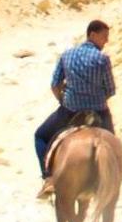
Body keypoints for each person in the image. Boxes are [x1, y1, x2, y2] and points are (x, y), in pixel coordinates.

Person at [33, 17, 114, 185]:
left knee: (40, 136)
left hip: (70, 110)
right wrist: (96, 98)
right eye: (104, 36)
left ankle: (48, 178)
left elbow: (55, 85)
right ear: (92, 34)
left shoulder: (67, 55)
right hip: (98, 111)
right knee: (113, 146)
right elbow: (110, 90)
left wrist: (63, 100)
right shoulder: (102, 59)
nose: (107, 40)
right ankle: (112, 180)